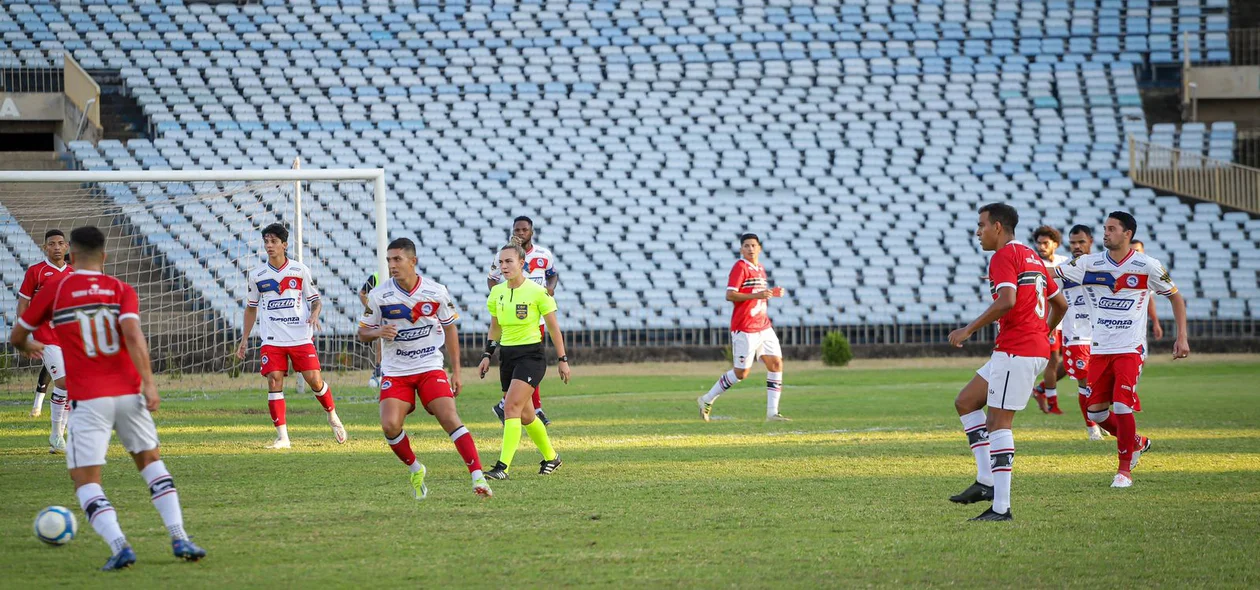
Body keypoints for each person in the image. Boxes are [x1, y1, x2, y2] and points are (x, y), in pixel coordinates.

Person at [9, 226, 206, 570]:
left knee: (85, 480)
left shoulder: (55, 288)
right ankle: (179, 536)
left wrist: (28, 345)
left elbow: (17, 335)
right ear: (104, 256)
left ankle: (120, 546)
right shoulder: (120, 289)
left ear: (71, 255)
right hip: (129, 392)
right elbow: (132, 335)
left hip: (89, 399)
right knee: (151, 464)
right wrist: (150, 383)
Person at [947, 204, 1067, 521]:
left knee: (999, 424)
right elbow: (1061, 303)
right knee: (966, 401)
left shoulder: (1003, 257)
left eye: (981, 224)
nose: (978, 231)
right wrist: (1044, 330)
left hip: (1016, 350)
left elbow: (1007, 301)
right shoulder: (1032, 257)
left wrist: (968, 329)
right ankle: (986, 480)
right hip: (1027, 347)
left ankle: (1001, 507)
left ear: (998, 227)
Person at [1056, 212, 1189, 488]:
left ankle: (1124, 471)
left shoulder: (1147, 265)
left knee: (1121, 404)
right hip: (1099, 348)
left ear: (1127, 234)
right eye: (1104, 228)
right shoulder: (1088, 263)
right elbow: (1050, 275)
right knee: (1096, 413)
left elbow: (1175, 296)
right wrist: (1023, 268)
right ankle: (1137, 442)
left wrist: (1182, 337)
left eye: (1112, 229)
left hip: (1130, 348)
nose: (1106, 233)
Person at [359, 238, 492, 499]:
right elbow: (362, 333)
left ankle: (479, 477)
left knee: (449, 417)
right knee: (389, 425)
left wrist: (456, 371)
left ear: (413, 261)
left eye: (397, 259)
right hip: (396, 371)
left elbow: (451, 328)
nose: (392, 265)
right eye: (389, 260)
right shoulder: (379, 296)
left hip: (429, 365)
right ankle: (416, 468)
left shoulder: (436, 291)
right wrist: (377, 331)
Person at [235, 223, 346, 448]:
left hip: (300, 337)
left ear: (284, 245)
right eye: (266, 241)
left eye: (274, 241)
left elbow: (315, 299)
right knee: (274, 380)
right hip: (272, 339)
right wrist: (245, 338)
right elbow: (251, 308)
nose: (269, 246)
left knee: (314, 381)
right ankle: (283, 437)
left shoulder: (299, 270)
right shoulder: (257, 276)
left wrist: (315, 313)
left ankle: (332, 414)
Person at [478, 243, 570, 480]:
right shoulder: (496, 292)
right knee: (527, 415)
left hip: (531, 356)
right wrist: (488, 355)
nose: (504, 266)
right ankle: (552, 457)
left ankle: (502, 468)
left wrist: (563, 359)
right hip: (506, 357)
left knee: (510, 408)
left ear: (522, 263)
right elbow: (495, 327)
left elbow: (553, 328)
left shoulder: (537, 292)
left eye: (509, 261)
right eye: (501, 262)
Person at [698, 233, 789, 422]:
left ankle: (772, 413)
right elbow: (730, 295)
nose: (750, 249)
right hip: (745, 327)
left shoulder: (761, 268)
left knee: (776, 364)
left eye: (753, 245)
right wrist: (757, 296)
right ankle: (707, 399)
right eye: (746, 246)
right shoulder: (740, 267)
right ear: (741, 249)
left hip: (763, 326)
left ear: (759, 248)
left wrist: (772, 293)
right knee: (741, 373)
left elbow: (758, 293)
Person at [487, 216, 559, 426]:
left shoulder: (543, 254)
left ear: (531, 232)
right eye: (517, 230)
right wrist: (501, 296)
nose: (520, 233)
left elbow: (553, 274)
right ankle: (527, 407)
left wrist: (551, 288)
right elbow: (491, 278)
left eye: (524, 229)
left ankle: (515, 406)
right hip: (515, 314)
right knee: (525, 362)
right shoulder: (504, 256)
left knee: (531, 362)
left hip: (536, 312)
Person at [16, 229, 73, 452]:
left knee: (70, 386)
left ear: (67, 246)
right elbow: (23, 304)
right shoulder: (36, 272)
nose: (56, 247)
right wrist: (23, 333)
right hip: (45, 336)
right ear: (45, 247)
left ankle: (58, 436)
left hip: (69, 336)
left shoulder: (73, 273)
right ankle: (56, 434)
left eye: (60, 243)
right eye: (52, 244)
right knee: (64, 383)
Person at [1063, 225, 1104, 440]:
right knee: (1085, 382)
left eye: (1081, 242)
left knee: (1105, 383)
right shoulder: (1063, 269)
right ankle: (1091, 427)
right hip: (1077, 335)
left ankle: (1101, 417)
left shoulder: (1102, 266)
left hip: (1104, 334)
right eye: (1073, 243)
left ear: (1090, 241)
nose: (1077, 246)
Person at [1030, 225, 1069, 415]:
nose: (1041, 246)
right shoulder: (1035, 263)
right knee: (1053, 359)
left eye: (1045, 243)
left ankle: (1040, 389)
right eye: (1038, 243)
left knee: (1071, 362)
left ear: (1056, 244)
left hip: (1068, 320)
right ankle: (1053, 402)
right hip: (1048, 319)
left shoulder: (1065, 262)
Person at [1131, 240, 1164, 341]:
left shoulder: (1146, 272)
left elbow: (1150, 300)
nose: (1134, 254)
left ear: (1143, 251)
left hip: (1138, 328)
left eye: (1137, 250)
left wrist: (1156, 323)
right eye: (1131, 251)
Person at [359, 271, 383, 387]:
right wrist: (371, 309)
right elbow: (362, 293)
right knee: (382, 338)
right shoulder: (376, 277)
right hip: (382, 314)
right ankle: (379, 368)